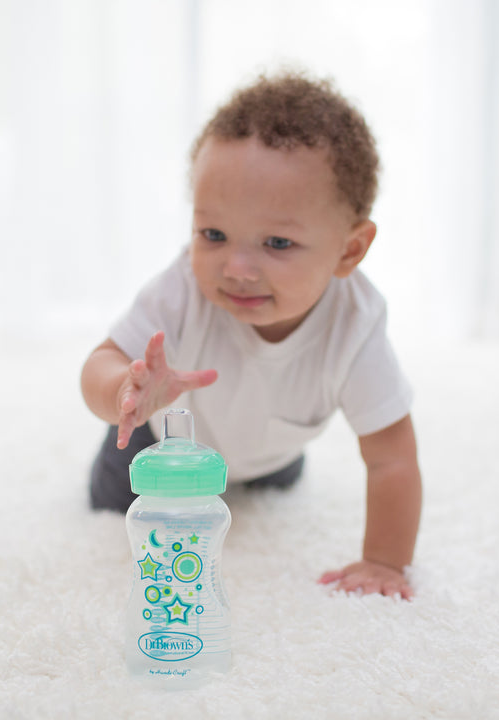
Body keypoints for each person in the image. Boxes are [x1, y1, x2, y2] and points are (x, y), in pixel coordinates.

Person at [81, 71, 422, 599]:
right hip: (161, 447)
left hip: (272, 456)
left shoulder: (356, 324)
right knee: (109, 504)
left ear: (349, 251)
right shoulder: (183, 290)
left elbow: (391, 456)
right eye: (213, 234)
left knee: (276, 482)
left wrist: (384, 561)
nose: (237, 267)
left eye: (277, 243)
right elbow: (101, 360)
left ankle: (262, 471)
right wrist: (122, 390)